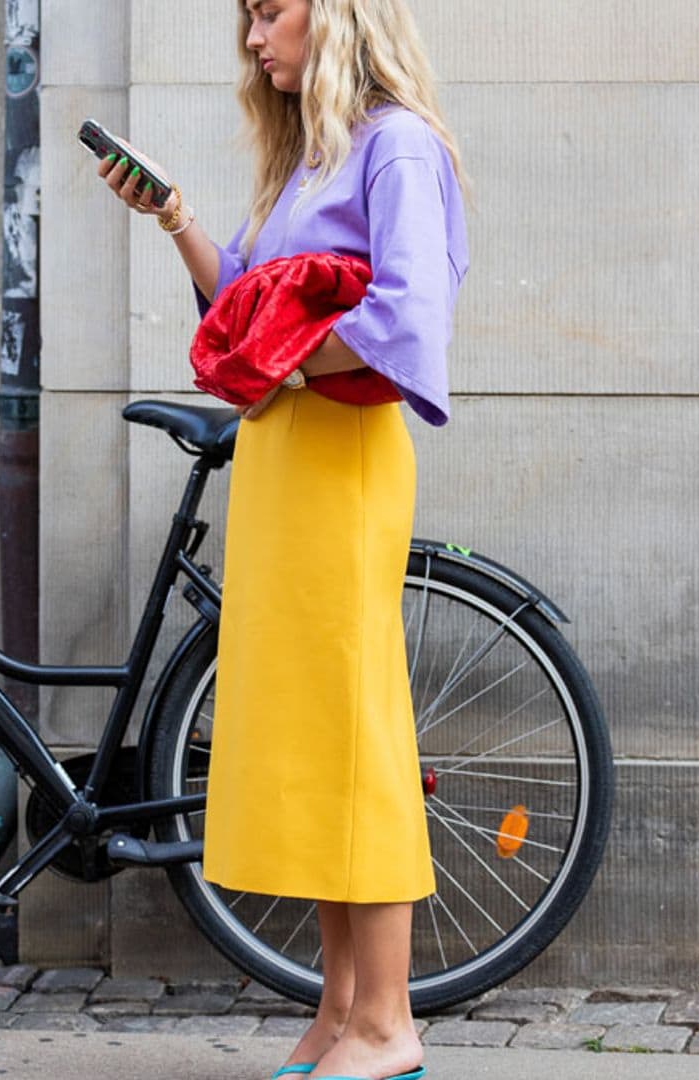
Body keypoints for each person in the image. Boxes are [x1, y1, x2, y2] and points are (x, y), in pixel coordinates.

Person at [95, 1, 467, 1078]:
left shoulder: (398, 146)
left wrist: (292, 363)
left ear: (338, 13)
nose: (255, 40)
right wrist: (174, 217)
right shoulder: (315, 158)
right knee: (308, 732)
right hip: (281, 456)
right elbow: (242, 310)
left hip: (342, 457)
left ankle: (390, 1024)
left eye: (271, 12)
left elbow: (406, 322)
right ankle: (341, 1006)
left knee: (356, 729)